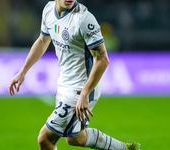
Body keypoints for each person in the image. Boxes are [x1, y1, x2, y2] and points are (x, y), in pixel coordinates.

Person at [8, 0, 141, 150]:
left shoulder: (84, 19)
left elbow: (102, 59)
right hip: (64, 84)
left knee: (45, 140)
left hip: (81, 87)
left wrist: (84, 94)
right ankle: (127, 149)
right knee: (76, 138)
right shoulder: (48, 10)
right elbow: (42, 40)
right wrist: (23, 71)